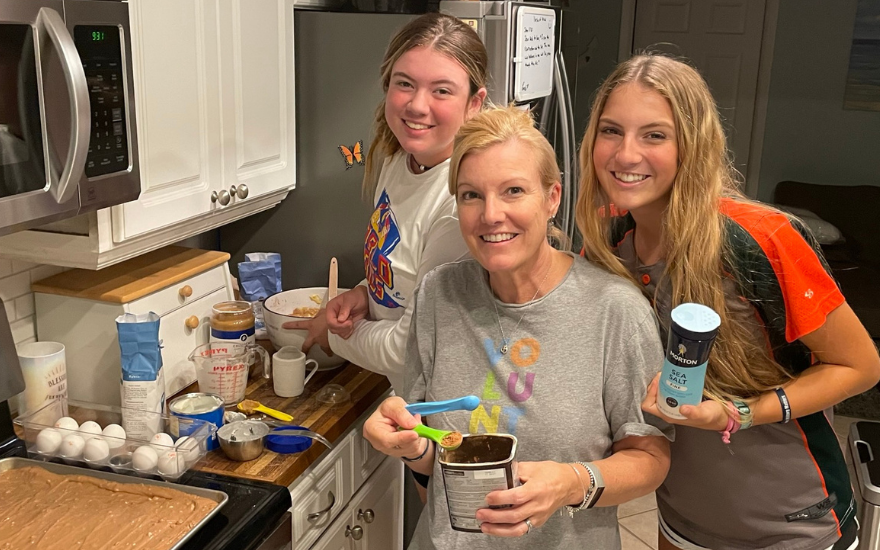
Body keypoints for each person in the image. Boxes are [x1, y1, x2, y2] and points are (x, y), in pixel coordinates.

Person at [576, 53, 880, 550]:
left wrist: (737, 412)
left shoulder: (762, 240)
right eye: (611, 131)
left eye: (654, 135)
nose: (626, 154)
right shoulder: (606, 248)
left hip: (791, 524)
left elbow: (860, 367)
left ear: (691, 145)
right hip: (681, 518)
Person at [363, 106, 672, 549]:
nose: (491, 214)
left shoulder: (614, 310)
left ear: (552, 198)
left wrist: (570, 482)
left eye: (513, 191)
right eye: (471, 195)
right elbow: (436, 450)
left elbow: (650, 457)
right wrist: (412, 445)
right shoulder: (439, 294)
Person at [284, 13, 487, 393]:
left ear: (474, 103)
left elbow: (408, 350)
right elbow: (403, 268)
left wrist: (332, 333)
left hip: (452, 414)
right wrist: (364, 295)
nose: (417, 105)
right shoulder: (399, 161)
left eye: (441, 90)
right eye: (404, 83)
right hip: (410, 401)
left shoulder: (460, 202)